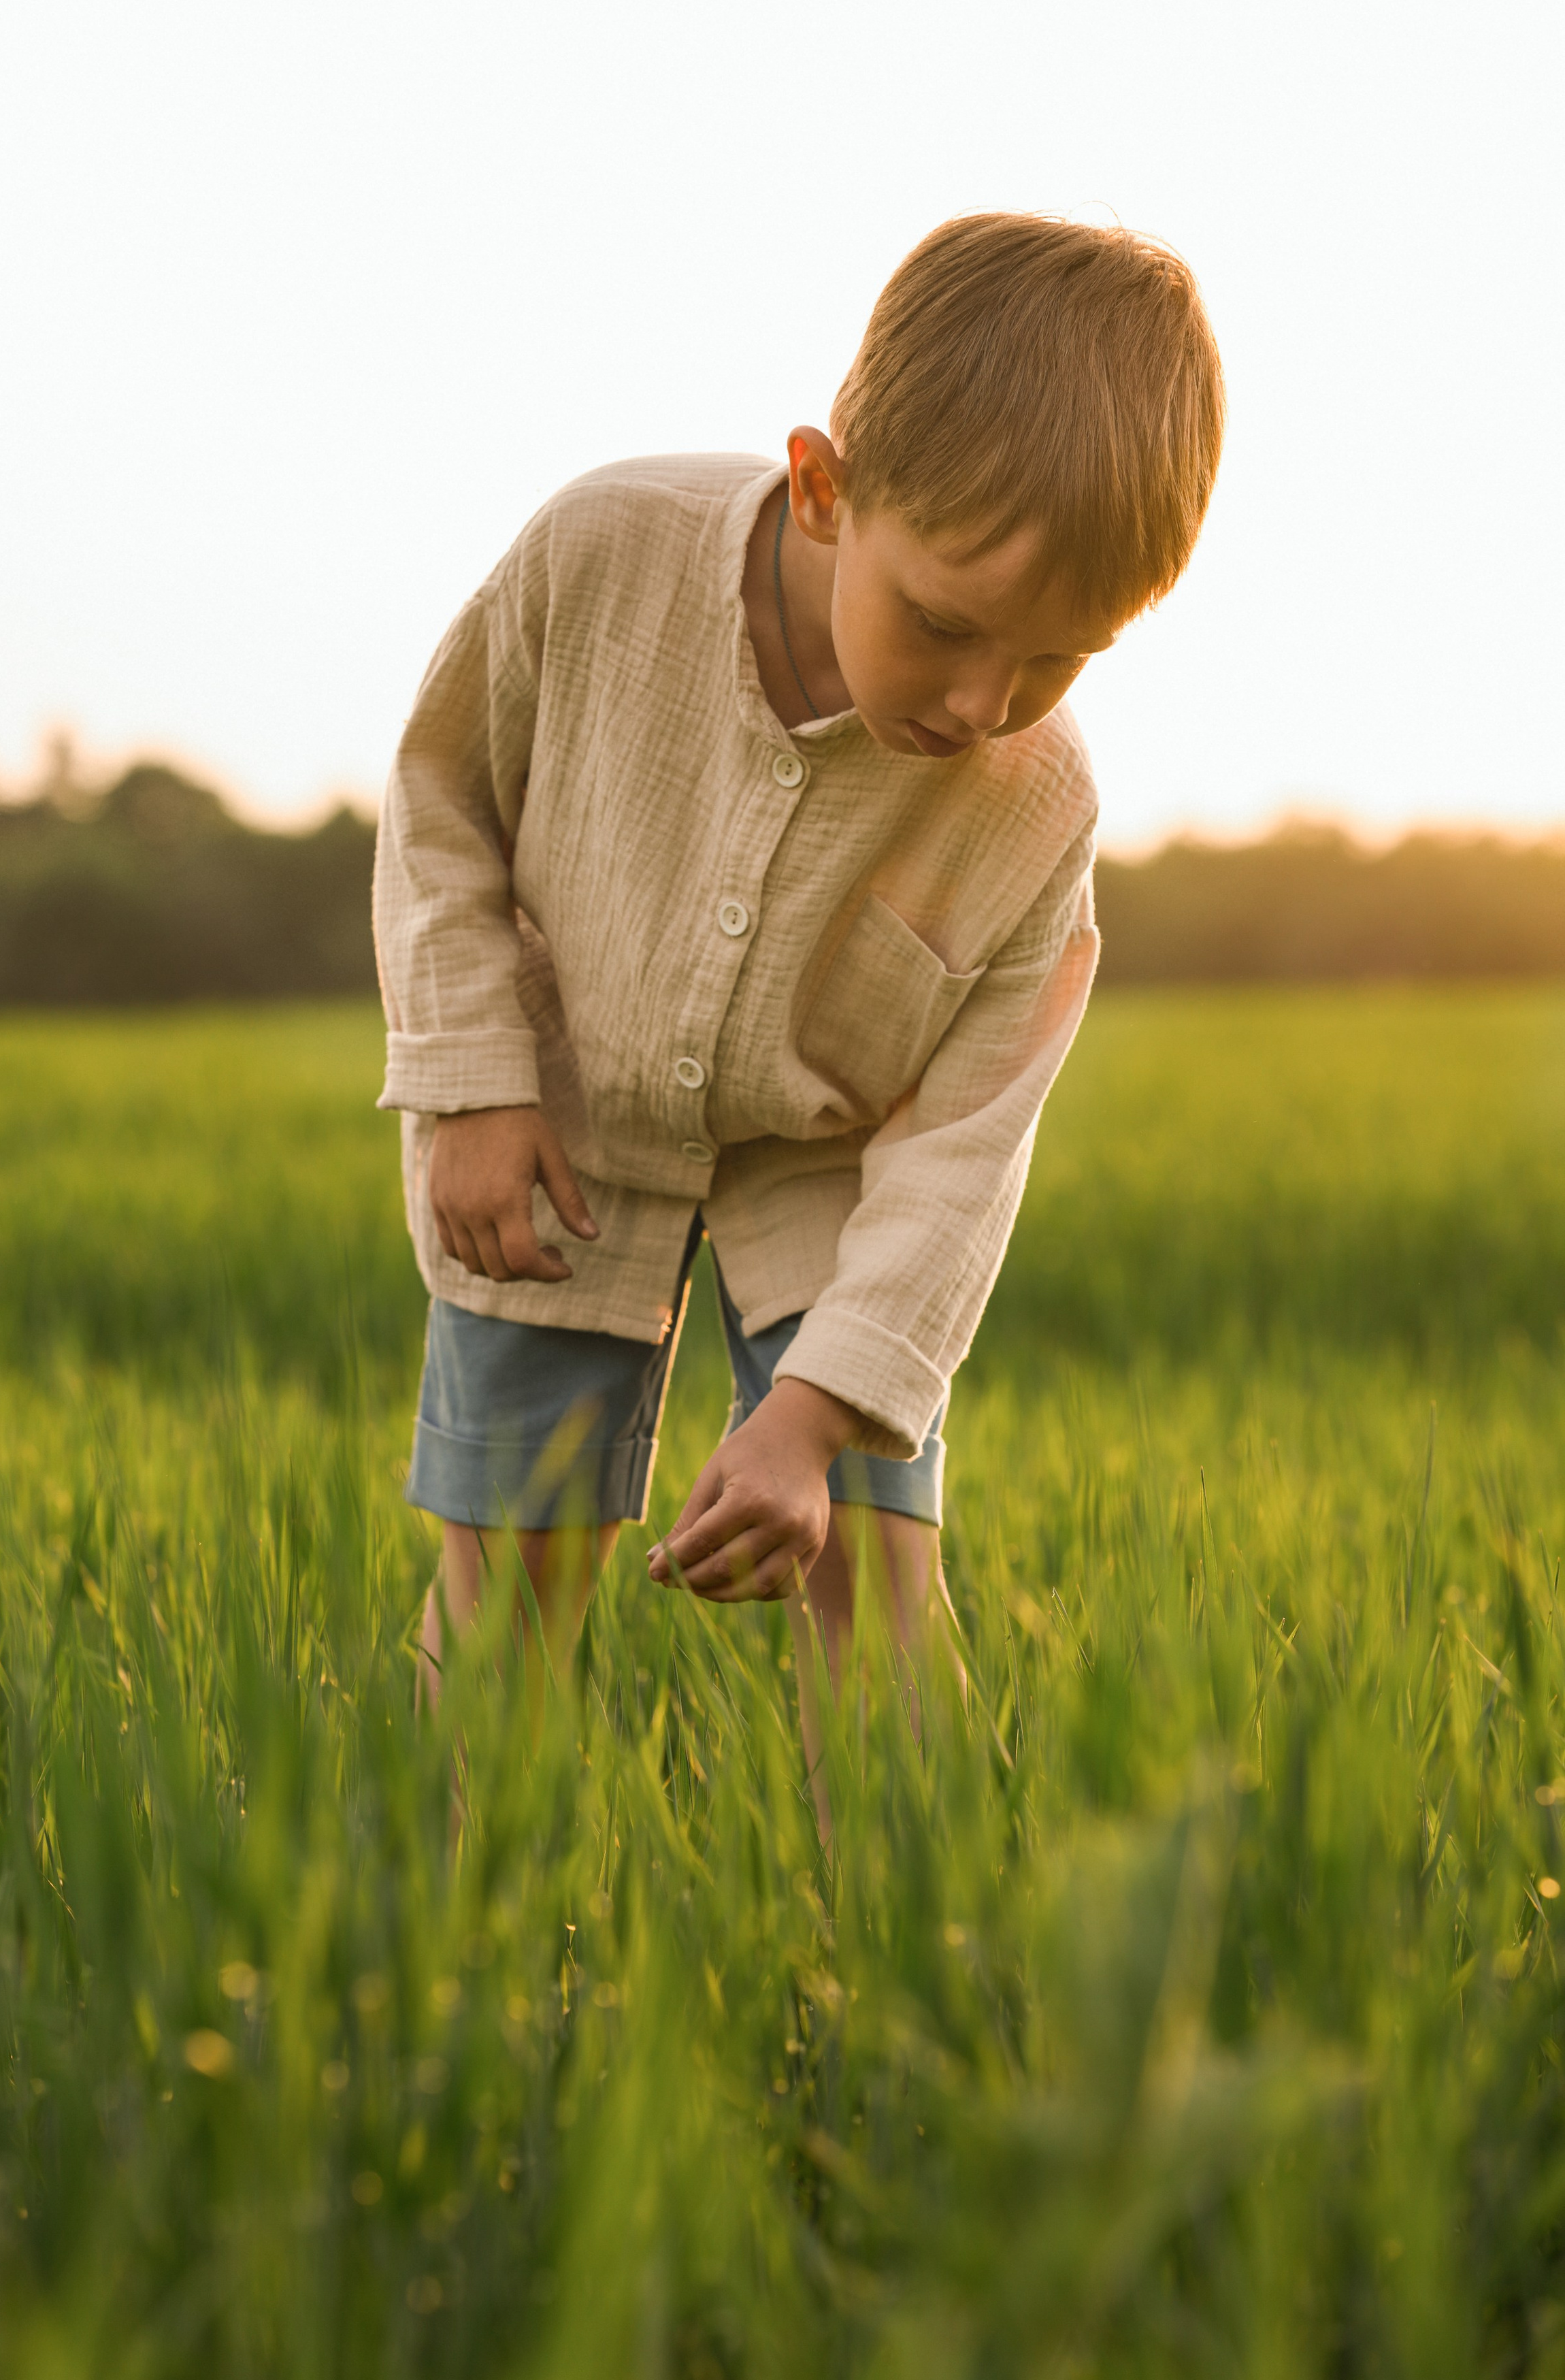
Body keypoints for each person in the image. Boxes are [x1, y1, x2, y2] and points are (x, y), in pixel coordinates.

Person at [373, 212, 1223, 1769]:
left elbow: (962, 1153)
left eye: (1053, 665)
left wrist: (813, 1421)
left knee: (874, 1584)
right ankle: (440, 1962)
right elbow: (441, 798)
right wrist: (470, 1081)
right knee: (506, 1585)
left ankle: (910, 1986)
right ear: (828, 486)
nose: (983, 705)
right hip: (556, 1127)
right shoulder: (597, 553)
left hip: (834, 1162)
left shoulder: (1037, 810)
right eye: (948, 628)